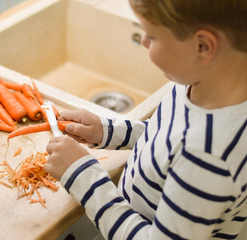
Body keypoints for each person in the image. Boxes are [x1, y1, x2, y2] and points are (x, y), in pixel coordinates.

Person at [44, 0, 247, 239]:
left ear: (202, 46)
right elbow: (167, 135)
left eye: (151, 35)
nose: (143, 41)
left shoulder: (207, 158)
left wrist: (83, 177)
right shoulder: (198, 85)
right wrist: (107, 131)